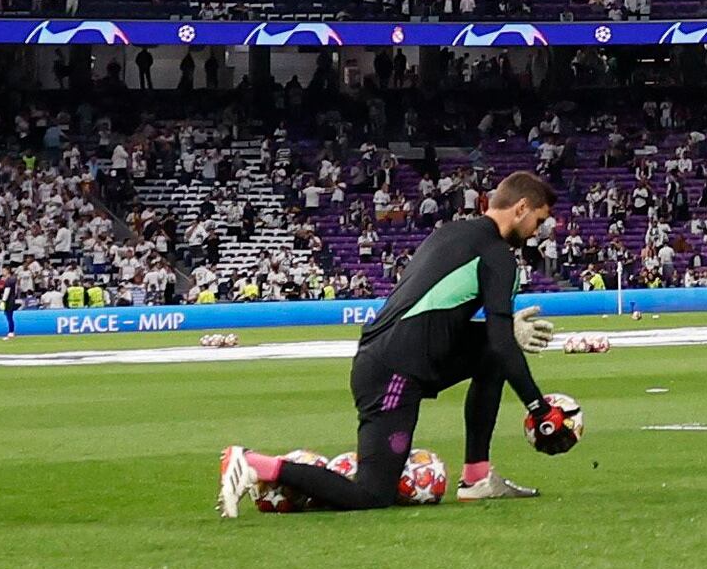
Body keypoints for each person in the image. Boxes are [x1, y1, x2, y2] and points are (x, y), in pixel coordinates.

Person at [223, 169, 582, 513]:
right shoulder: (498, 257)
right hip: (394, 373)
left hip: (388, 356)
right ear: (520, 209)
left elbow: (458, 320)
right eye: (537, 220)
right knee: (371, 493)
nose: (536, 231)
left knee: (491, 352)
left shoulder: (451, 233)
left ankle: (476, 477)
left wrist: (501, 333)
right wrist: (539, 408)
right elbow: (502, 342)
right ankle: (255, 464)